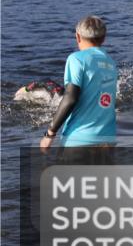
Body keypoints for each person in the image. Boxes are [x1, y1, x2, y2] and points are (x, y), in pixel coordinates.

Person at [39, 16, 118, 151]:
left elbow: (70, 98)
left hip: (78, 141)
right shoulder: (111, 63)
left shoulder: (76, 59)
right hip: (108, 141)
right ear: (103, 38)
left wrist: (49, 134)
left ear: (78, 37)